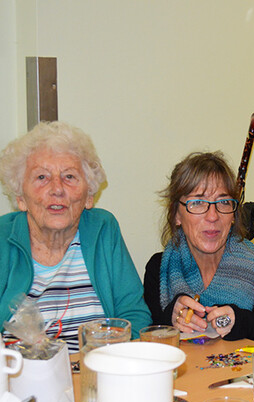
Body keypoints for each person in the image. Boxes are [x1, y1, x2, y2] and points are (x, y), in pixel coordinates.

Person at [0, 121, 151, 352]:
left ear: (89, 195)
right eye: (42, 177)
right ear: (20, 197)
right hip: (20, 377)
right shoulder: (3, 237)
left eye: (69, 176)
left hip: (97, 371)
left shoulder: (103, 228)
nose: (57, 189)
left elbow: (134, 315)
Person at [143, 151, 254, 351]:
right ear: (176, 215)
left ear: (233, 214)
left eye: (223, 202)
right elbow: (148, 346)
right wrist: (171, 317)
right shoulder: (159, 269)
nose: (213, 216)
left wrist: (242, 322)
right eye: (197, 202)